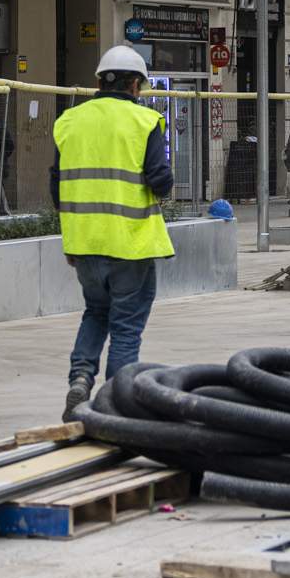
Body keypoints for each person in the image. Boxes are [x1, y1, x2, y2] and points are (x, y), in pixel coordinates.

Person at [55, 46, 175, 419]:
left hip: (84, 243)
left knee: (95, 312)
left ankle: (80, 378)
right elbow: (160, 179)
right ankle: (115, 400)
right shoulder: (145, 121)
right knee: (125, 324)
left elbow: (54, 186)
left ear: (98, 82)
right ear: (136, 85)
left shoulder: (69, 121)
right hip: (131, 244)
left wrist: (74, 236)